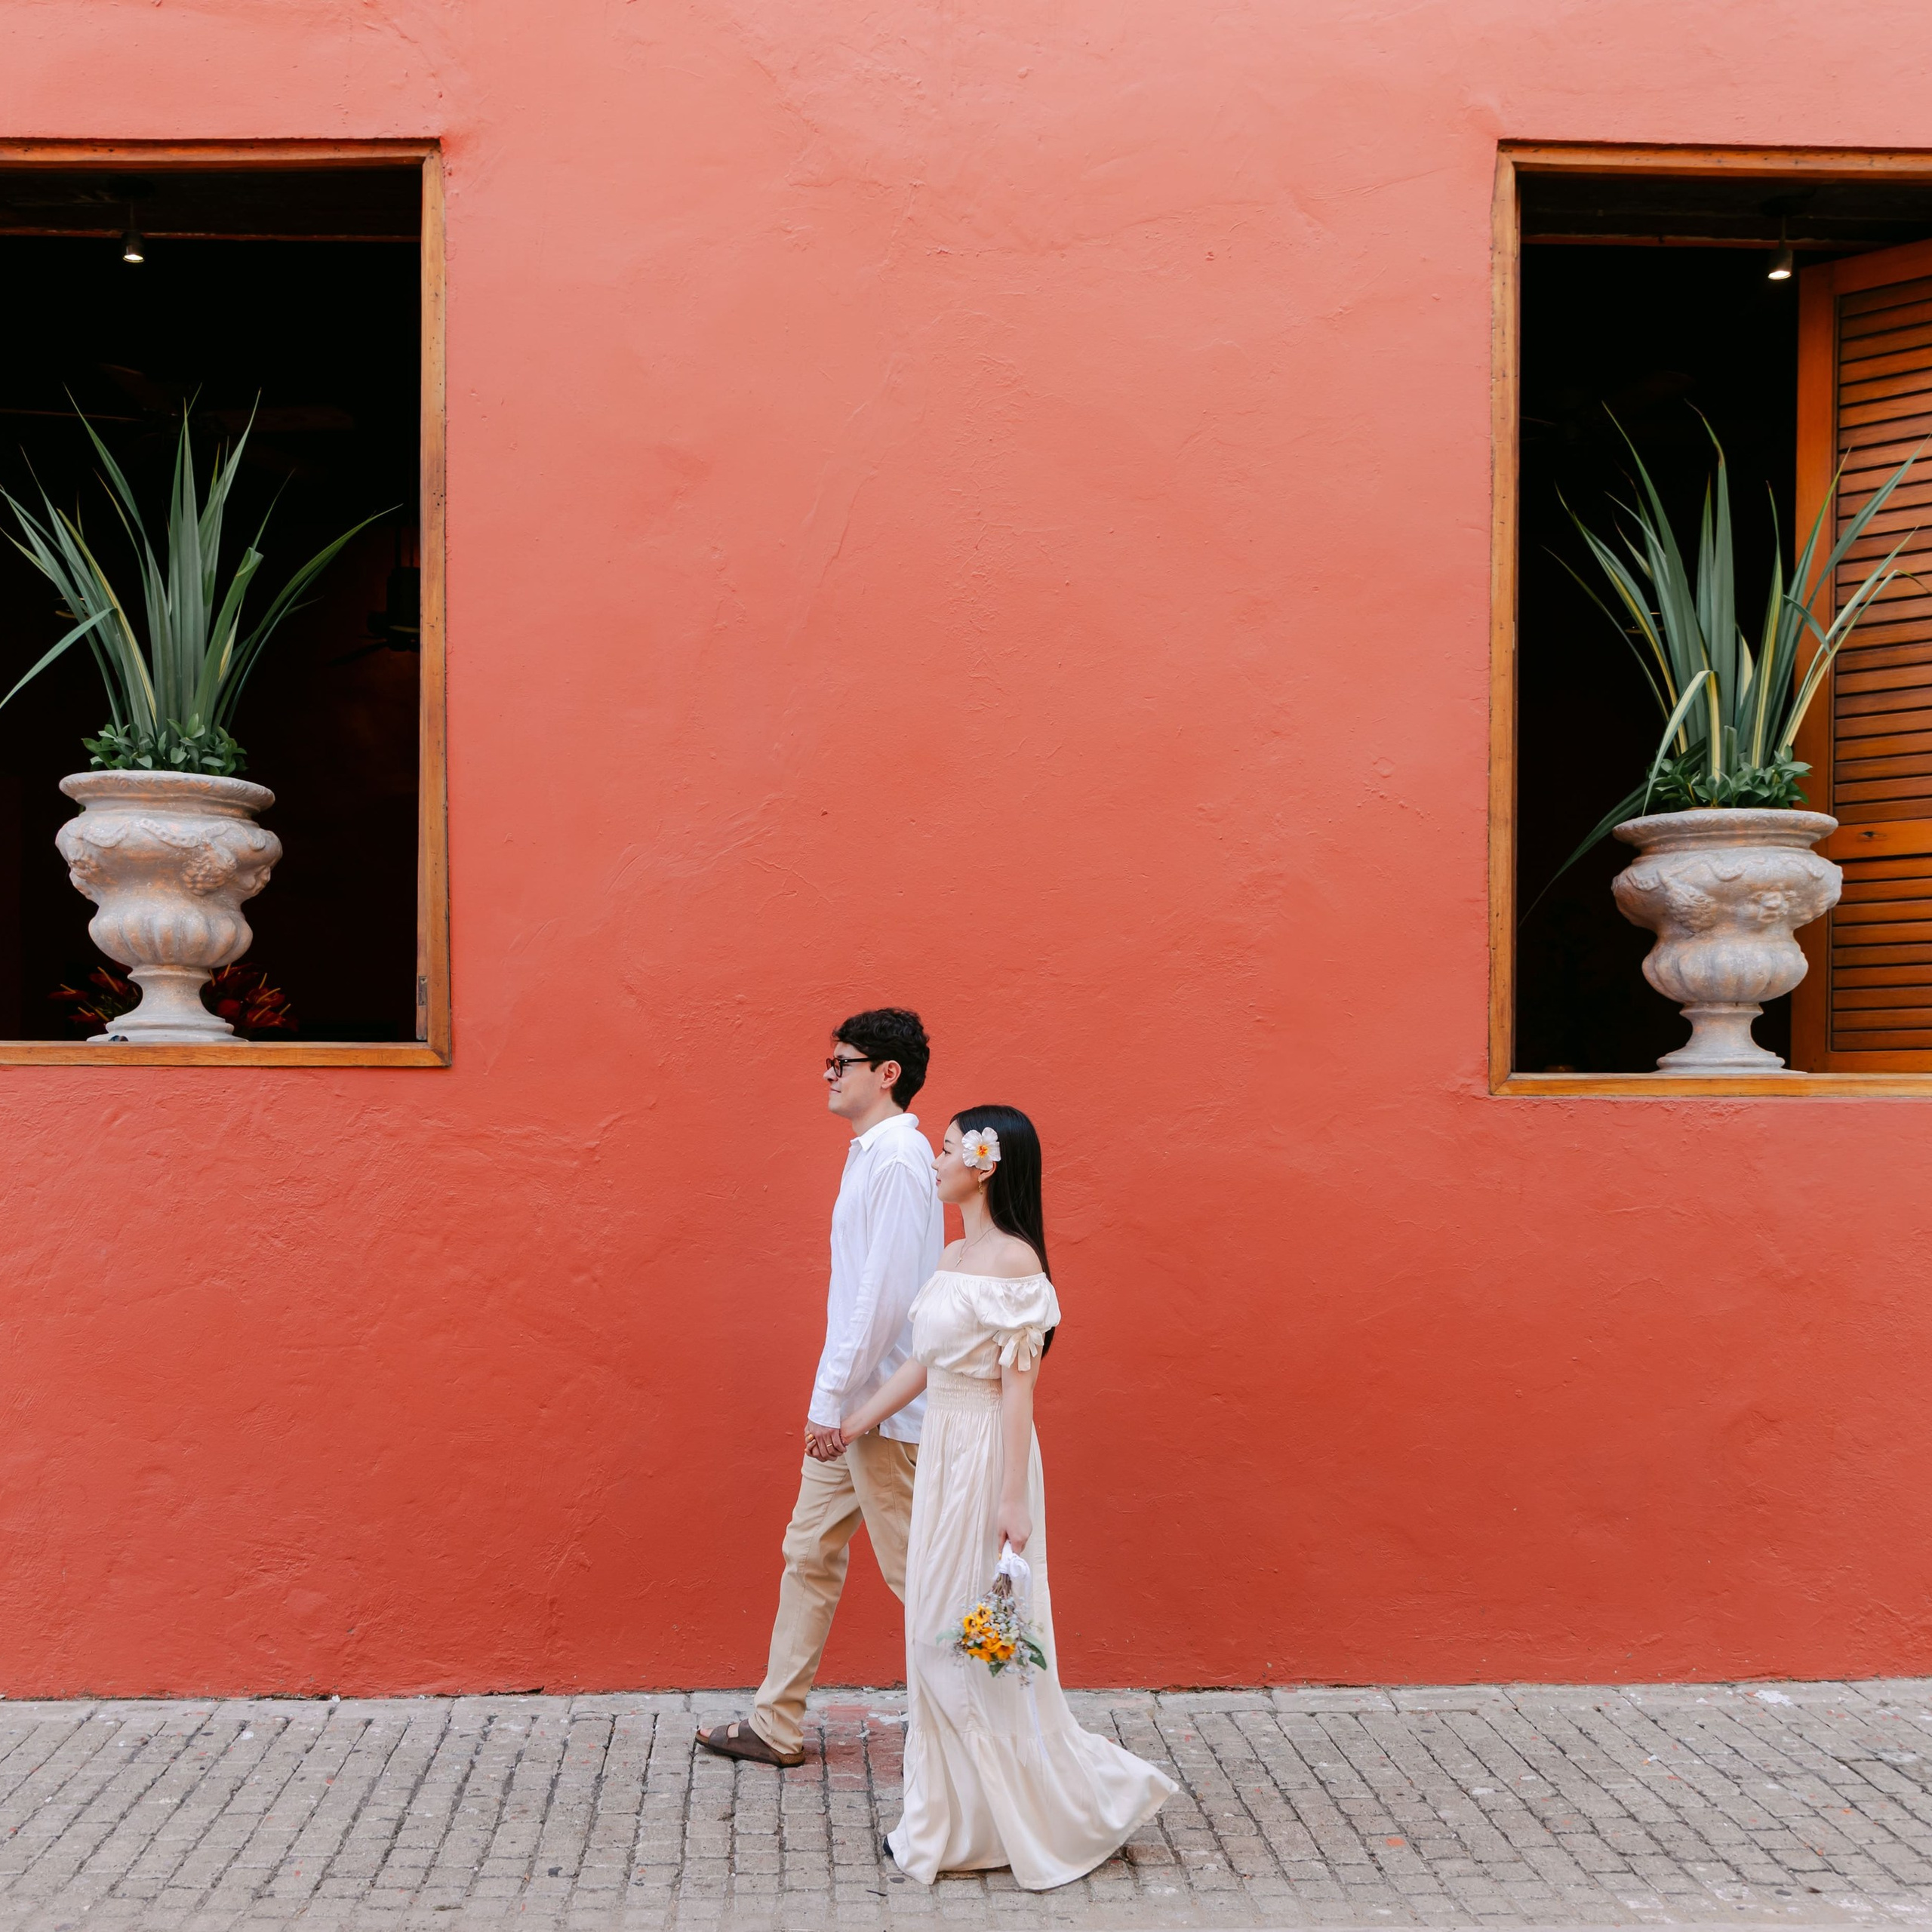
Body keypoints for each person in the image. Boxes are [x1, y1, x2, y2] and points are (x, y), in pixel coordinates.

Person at [835, 1105, 1176, 1888]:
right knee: (932, 1629)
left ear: (984, 1164)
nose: (937, 1159)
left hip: (987, 1453)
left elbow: (1019, 1391)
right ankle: (951, 1820)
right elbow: (926, 1364)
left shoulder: (1017, 1263)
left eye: (949, 1147)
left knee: (965, 1636)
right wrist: (857, 1417)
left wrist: (1012, 1502)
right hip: (943, 1451)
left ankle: (1048, 1808)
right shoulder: (954, 1251)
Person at [697, 1008, 943, 1769]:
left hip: (876, 1413)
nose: (827, 1073)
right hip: (852, 1406)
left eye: (842, 1061)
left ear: (886, 1073)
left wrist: (830, 1406)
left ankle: (992, 1722)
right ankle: (776, 1725)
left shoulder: (898, 1160)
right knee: (808, 1551)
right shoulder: (872, 1154)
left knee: (919, 1578)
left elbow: (883, 1298)